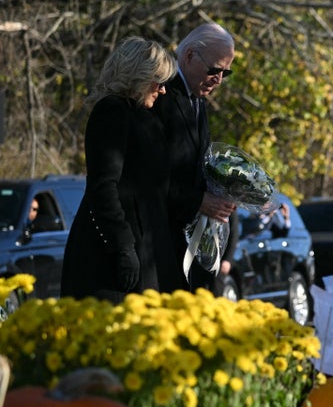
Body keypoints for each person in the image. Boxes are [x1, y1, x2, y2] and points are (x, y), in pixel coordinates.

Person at [61, 36, 179, 303]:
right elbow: (103, 185)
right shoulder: (111, 111)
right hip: (111, 254)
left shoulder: (146, 118)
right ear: (139, 75)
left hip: (146, 247)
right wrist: (123, 248)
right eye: (158, 82)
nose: (162, 91)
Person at [152, 22, 237, 292]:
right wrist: (200, 200)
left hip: (189, 245)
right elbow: (152, 175)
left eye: (226, 72)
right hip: (160, 246)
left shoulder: (197, 99)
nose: (219, 80)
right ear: (189, 56)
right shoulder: (161, 96)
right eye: (215, 70)